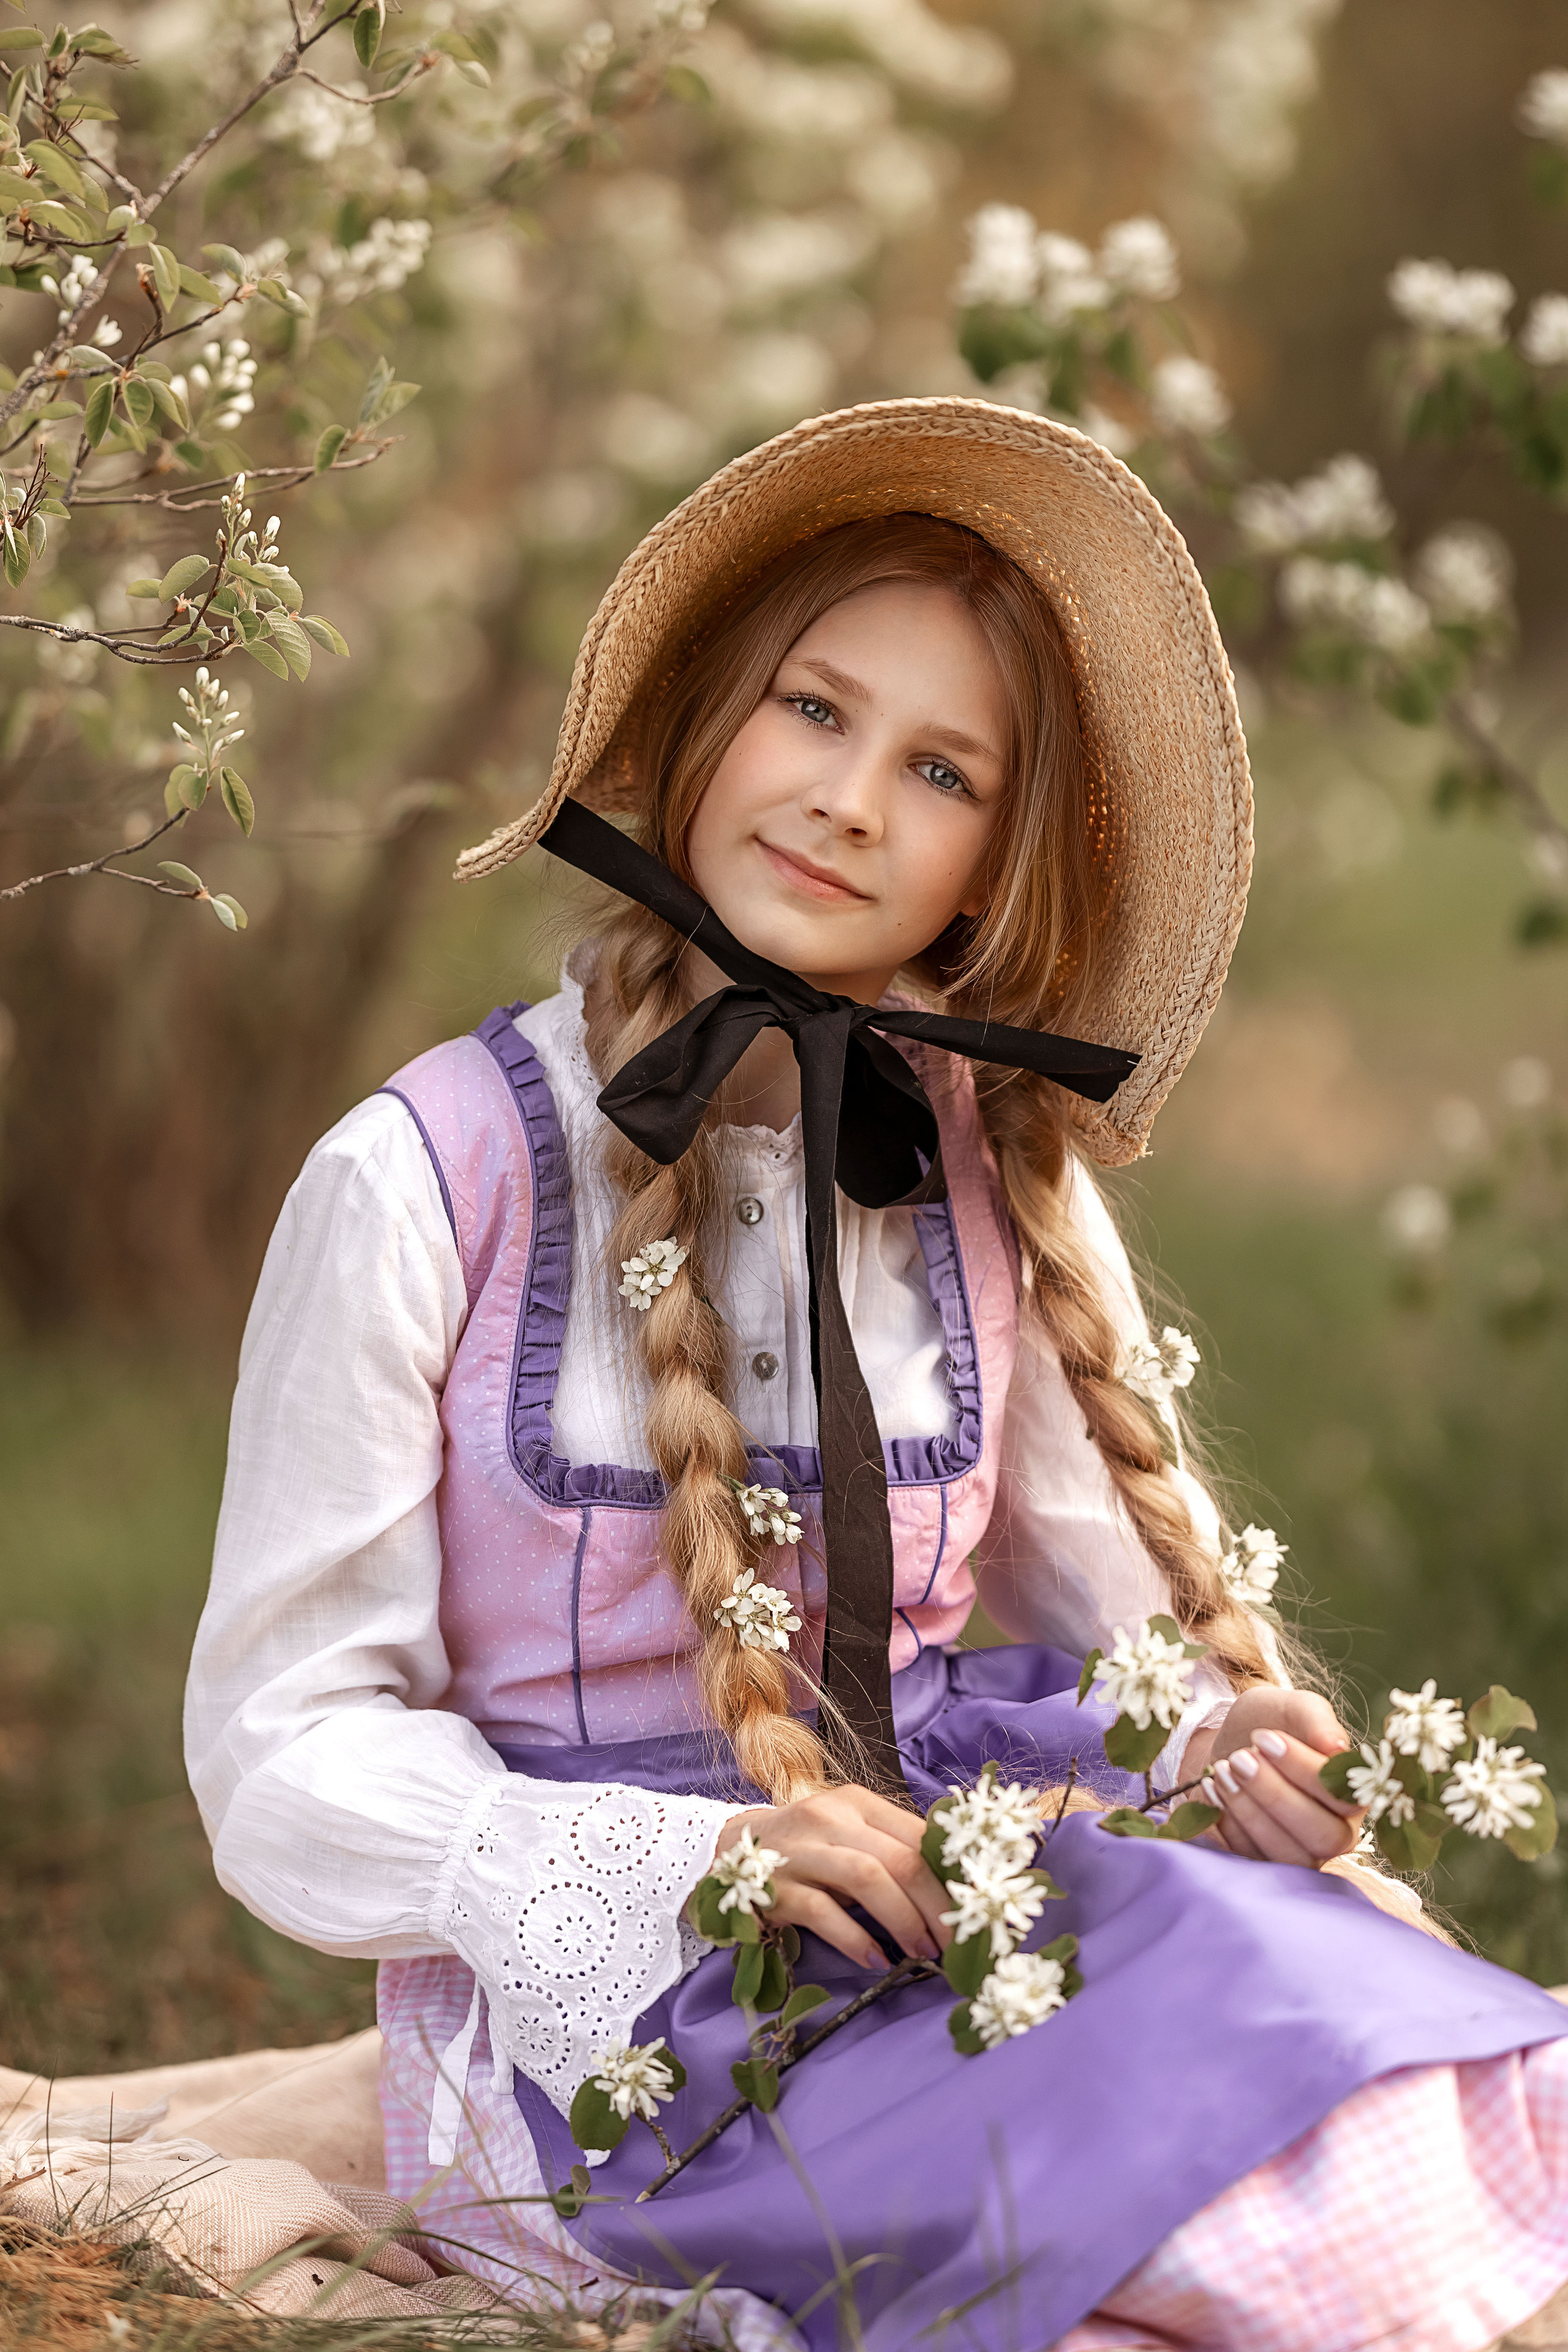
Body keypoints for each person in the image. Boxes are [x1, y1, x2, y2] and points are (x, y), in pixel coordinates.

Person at [186, 400, 1568, 2352]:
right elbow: (280, 1751)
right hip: (615, 2028)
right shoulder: (424, 1180)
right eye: (815, 713)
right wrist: (696, 1855)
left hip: (964, 1903)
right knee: (1138, 2219)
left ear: (993, 871)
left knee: (1359, 2056)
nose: (850, 803)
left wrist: (1221, 1752)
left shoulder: (992, 1166)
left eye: (940, 770)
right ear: (699, 723)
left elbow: (1122, 1645)